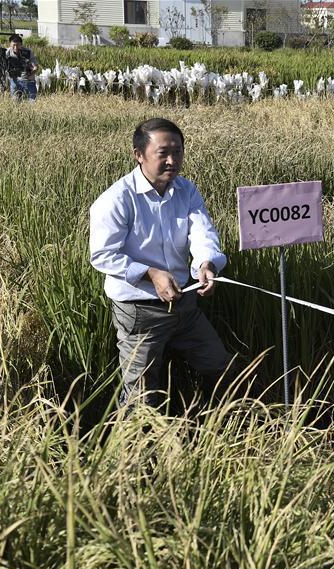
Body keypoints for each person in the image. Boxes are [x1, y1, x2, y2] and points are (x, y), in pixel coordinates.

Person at [90, 118, 232, 410]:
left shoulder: (186, 191)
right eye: (163, 153)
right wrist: (150, 273)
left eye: (178, 152)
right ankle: (132, 451)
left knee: (220, 366)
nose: (172, 160)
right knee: (140, 395)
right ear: (139, 155)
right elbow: (102, 254)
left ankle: (214, 425)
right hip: (140, 313)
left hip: (184, 305)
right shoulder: (117, 199)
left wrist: (206, 265)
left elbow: (202, 232)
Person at [6, 34, 38, 101]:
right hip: (14, 80)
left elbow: (36, 67)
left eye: (17, 45)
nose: (15, 48)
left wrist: (31, 73)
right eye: (13, 45)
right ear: (10, 44)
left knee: (32, 102)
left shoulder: (28, 52)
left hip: (28, 80)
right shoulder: (7, 52)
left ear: (21, 44)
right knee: (15, 103)